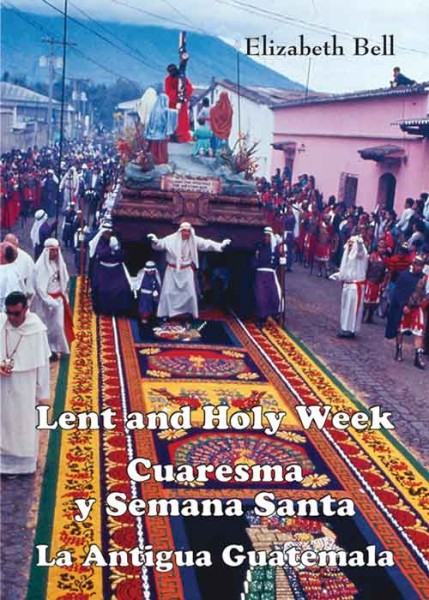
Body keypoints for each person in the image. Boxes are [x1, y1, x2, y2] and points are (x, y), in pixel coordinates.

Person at [0, 291, 51, 475]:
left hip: (25, 387)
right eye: (9, 313)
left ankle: (23, 465)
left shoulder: (36, 329)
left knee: (23, 423)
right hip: (2, 384)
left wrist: (43, 394)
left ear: (26, 309)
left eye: (16, 313)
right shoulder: (1, 322)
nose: (12, 318)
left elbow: (43, 364)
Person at [148, 222, 231, 320]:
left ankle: (188, 315)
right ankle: (166, 314)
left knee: (190, 295)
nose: (186, 233)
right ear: (180, 231)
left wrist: (221, 245)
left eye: (188, 231)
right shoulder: (171, 239)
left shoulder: (194, 240)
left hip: (186, 271)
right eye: (184, 231)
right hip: (172, 271)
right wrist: (155, 241)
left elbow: (207, 244)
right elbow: (160, 244)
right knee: (168, 294)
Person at [32, 238, 75, 360]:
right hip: (45, 302)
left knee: (58, 326)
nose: (54, 253)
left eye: (56, 250)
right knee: (45, 326)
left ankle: (55, 348)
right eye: (52, 251)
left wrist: (63, 295)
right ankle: (47, 350)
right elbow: (40, 288)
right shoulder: (40, 267)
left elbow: (64, 280)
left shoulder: (59, 263)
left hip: (58, 300)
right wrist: (50, 302)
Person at [386, 255, 428, 368]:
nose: (419, 268)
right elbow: (398, 292)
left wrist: (422, 302)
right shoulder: (404, 276)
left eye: (421, 266)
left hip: (417, 308)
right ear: (413, 264)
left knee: (419, 332)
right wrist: (403, 305)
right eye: (417, 265)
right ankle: (399, 350)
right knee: (401, 330)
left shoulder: (424, 278)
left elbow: (425, 293)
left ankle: (418, 357)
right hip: (404, 308)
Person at [89, 223, 133, 316]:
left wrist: (116, 249)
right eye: (106, 232)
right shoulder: (100, 241)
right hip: (103, 271)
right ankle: (102, 310)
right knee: (101, 290)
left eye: (109, 232)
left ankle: (119, 310)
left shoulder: (116, 239)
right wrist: (110, 249)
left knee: (123, 289)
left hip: (116, 270)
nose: (108, 234)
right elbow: (101, 254)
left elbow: (123, 255)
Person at [337, 235, 368, 338]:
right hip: (347, 285)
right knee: (345, 308)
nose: (350, 247)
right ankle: (344, 328)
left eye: (351, 245)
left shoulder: (360, 255)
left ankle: (350, 330)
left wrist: (359, 243)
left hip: (355, 286)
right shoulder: (347, 255)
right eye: (349, 245)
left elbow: (360, 252)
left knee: (353, 309)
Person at [252, 227, 283, 328]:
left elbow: (277, 262)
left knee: (274, 295)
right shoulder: (259, 247)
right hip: (260, 274)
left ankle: (272, 315)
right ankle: (261, 317)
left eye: (268, 236)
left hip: (270, 274)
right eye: (265, 236)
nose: (266, 238)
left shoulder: (275, 249)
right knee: (260, 296)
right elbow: (254, 260)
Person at [145, 92, 178, 164]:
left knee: (153, 148)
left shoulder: (153, 110)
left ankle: (152, 160)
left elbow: (149, 122)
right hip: (161, 133)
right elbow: (174, 113)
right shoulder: (165, 111)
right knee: (161, 149)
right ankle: (160, 160)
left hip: (152, 133)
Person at [164, 63, 193, 143]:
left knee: (182, 120)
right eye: (170, 72)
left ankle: (181, 135)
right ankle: (172, 135)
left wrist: (183, 92)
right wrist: (177, 94)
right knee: (173, 120)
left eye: (172, 71)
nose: (171, 73)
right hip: (172, 104)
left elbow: (189, 87)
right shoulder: (167, 79)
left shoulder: (182, 77)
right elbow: (168, 91)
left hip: (182, 103)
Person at [3, 234, 35, 302]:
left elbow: (30, 281)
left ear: (17, 245)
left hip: (18, 298)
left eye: (12, 244)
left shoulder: (26, 259)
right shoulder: (2, 256)